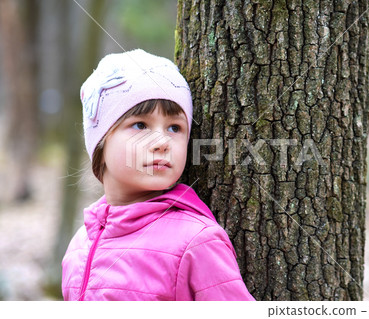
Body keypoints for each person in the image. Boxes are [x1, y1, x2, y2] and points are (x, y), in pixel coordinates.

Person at [61, 49, 254, 301]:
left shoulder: (197, 243)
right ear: (101, 141)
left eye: (175, 127)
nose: (162, 142)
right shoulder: (79, 245)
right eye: (140, 125)